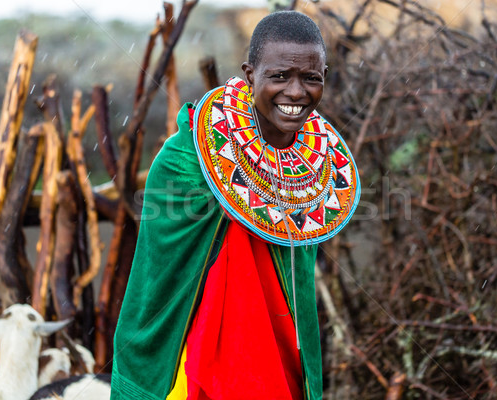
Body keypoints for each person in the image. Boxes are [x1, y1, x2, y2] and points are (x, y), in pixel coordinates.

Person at [110, 10, 360, 400]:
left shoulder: (321, 167)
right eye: (279, 76)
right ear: (249, 74)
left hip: (278, 362)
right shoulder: (186, 159)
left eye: (311, 78)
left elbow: (296, 282)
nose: (296, 92)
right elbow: (158, 277)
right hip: (191, 362)